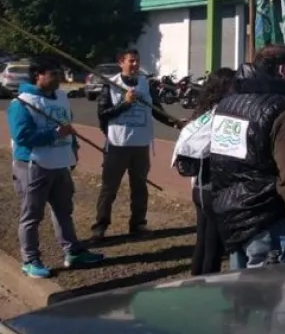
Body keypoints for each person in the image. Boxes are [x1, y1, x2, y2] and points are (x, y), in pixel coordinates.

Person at [208, 44, 285, 269]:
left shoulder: (226, 106)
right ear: (283, 70)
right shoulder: (284, 112)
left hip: (232, 218)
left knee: (245, 297)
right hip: (271, 221)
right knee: (277, 299)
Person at [8, 57, 104, 278]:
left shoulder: (61, 97)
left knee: (64, 211)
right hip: (34, 165)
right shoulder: (22, 103)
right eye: (53, 74)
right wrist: (54, 135)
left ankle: (73, 252)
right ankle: (30, 259)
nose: (58, 78)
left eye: (59, 73)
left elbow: (67, 123)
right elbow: (22, 136)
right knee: (31, 215)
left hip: (60, 164)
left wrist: (73, 148)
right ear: (37, 76)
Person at [92, 48, 183, 240]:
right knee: (109, 188)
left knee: (140, 187)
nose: (134, 65)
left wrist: (175, 122)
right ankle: (100, 225)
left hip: (140, 145)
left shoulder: (146, 85)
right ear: (121, 62)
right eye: (131, 61)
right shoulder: (111, 85)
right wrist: (125, 103)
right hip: (117, 145)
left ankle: (138, 224)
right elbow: (103, 114)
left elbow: (157, 110)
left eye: (137, 61)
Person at [171, 67, 236, 276]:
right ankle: (207, 287)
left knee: (203, 240)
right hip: (213, 187)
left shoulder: (204, 112)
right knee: (213, 245)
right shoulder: (224, 113)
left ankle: (196, 281)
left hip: (199, 187)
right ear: (226, 88)